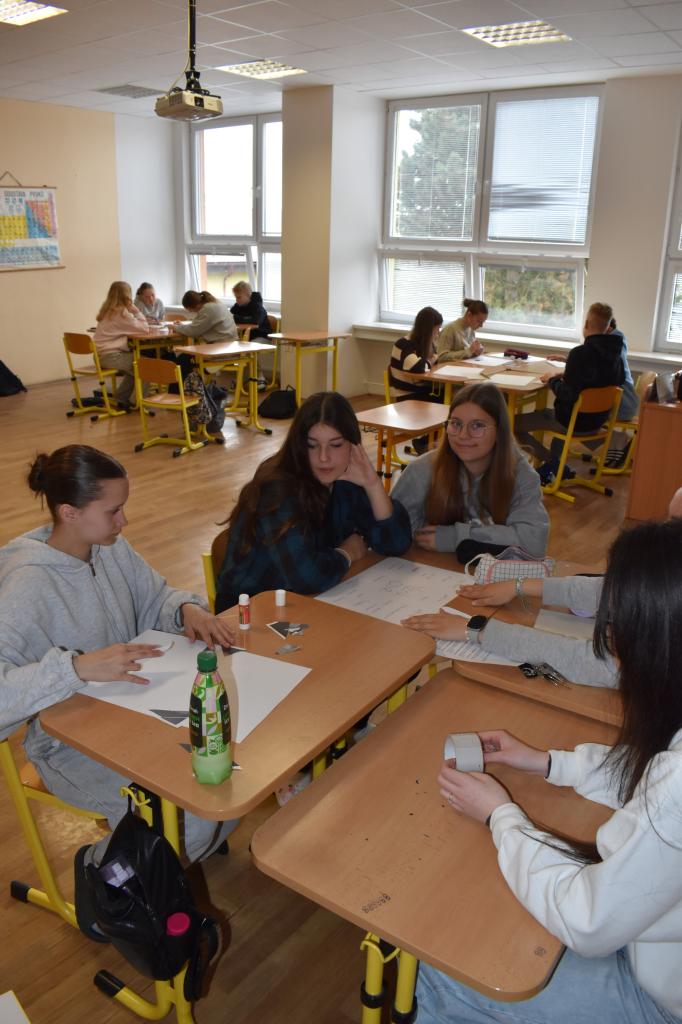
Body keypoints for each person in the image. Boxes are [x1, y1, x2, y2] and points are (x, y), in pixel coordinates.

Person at [416, 517, 682, 1024]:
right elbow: (651, 780)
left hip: (660, 1000)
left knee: (444, 960)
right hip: (656, 940)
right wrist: (549, 762)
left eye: (617, 634)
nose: (613, 653)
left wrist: (501, 816)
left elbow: (586, 920)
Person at [0, 445, 238, 904]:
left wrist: (185, 609)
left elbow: (155, 597)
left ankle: (152, 865)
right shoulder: (26, 584)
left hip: (129, 710)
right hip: (65, 744)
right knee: (190, 821)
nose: (123, 521)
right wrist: (75, 668)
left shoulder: (109, 547)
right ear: (69, 512)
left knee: (220, 785)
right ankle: (98, 877)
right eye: (113, 511)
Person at [214, 391, 412, 614]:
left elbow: (396, 543)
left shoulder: (346, 480)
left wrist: (373, 484)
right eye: (312, 445)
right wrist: (346, 553)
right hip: (247, 613)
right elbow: (307, 578)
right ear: (299, 446)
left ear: (353, 445)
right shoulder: (277, 490)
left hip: (304, 602)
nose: (323, 457)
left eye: (335, 445)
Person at [391, 382, 549, 560]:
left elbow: (534, 541)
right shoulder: (422, 470)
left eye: (477, 425)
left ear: (499, 431)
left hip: (491, 572)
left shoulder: (521, 475)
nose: (463, 435)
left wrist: (456, 537)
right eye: (456, 423)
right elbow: (393, 532)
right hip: (432, 567)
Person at [513, 302, 625, 483]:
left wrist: (552, 380)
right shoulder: (616, 356)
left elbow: (568, 395)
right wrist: (567, 374)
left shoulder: (580, 354)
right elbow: (601, 381)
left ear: (586, 324)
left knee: (512, 424)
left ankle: (553, 463)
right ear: (607, 327)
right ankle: (556, 467)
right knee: (559, 417)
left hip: (572, 421)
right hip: (598, 421)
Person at [93, 280, 152, 408]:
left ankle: (121, 397)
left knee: (135, 367)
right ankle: (137, 402)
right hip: (111, 357)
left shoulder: (107, 310)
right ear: (127, 296)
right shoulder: (121, 313)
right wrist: (136, 311)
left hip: (100, 356)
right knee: (146, 365)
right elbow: (144, 329)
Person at [389, 306, 444, 401]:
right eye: (437, 329)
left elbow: (433, 361)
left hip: (421, 391)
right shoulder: (404, 344)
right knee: (450, 400)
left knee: (452, 395)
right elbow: (417, 367)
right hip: (408, 394)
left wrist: (431, 359)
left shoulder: (422, 343)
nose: (438, 333)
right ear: (429, 329)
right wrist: (431, 360)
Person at [436, 298, 487, 363]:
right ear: (469, 315)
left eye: (483, 322)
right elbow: (441, 357)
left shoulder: (470, 329)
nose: (481, 325)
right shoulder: (450, 329)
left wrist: (476, 351)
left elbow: (468, 353)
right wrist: (469, 351)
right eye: (479, 321)